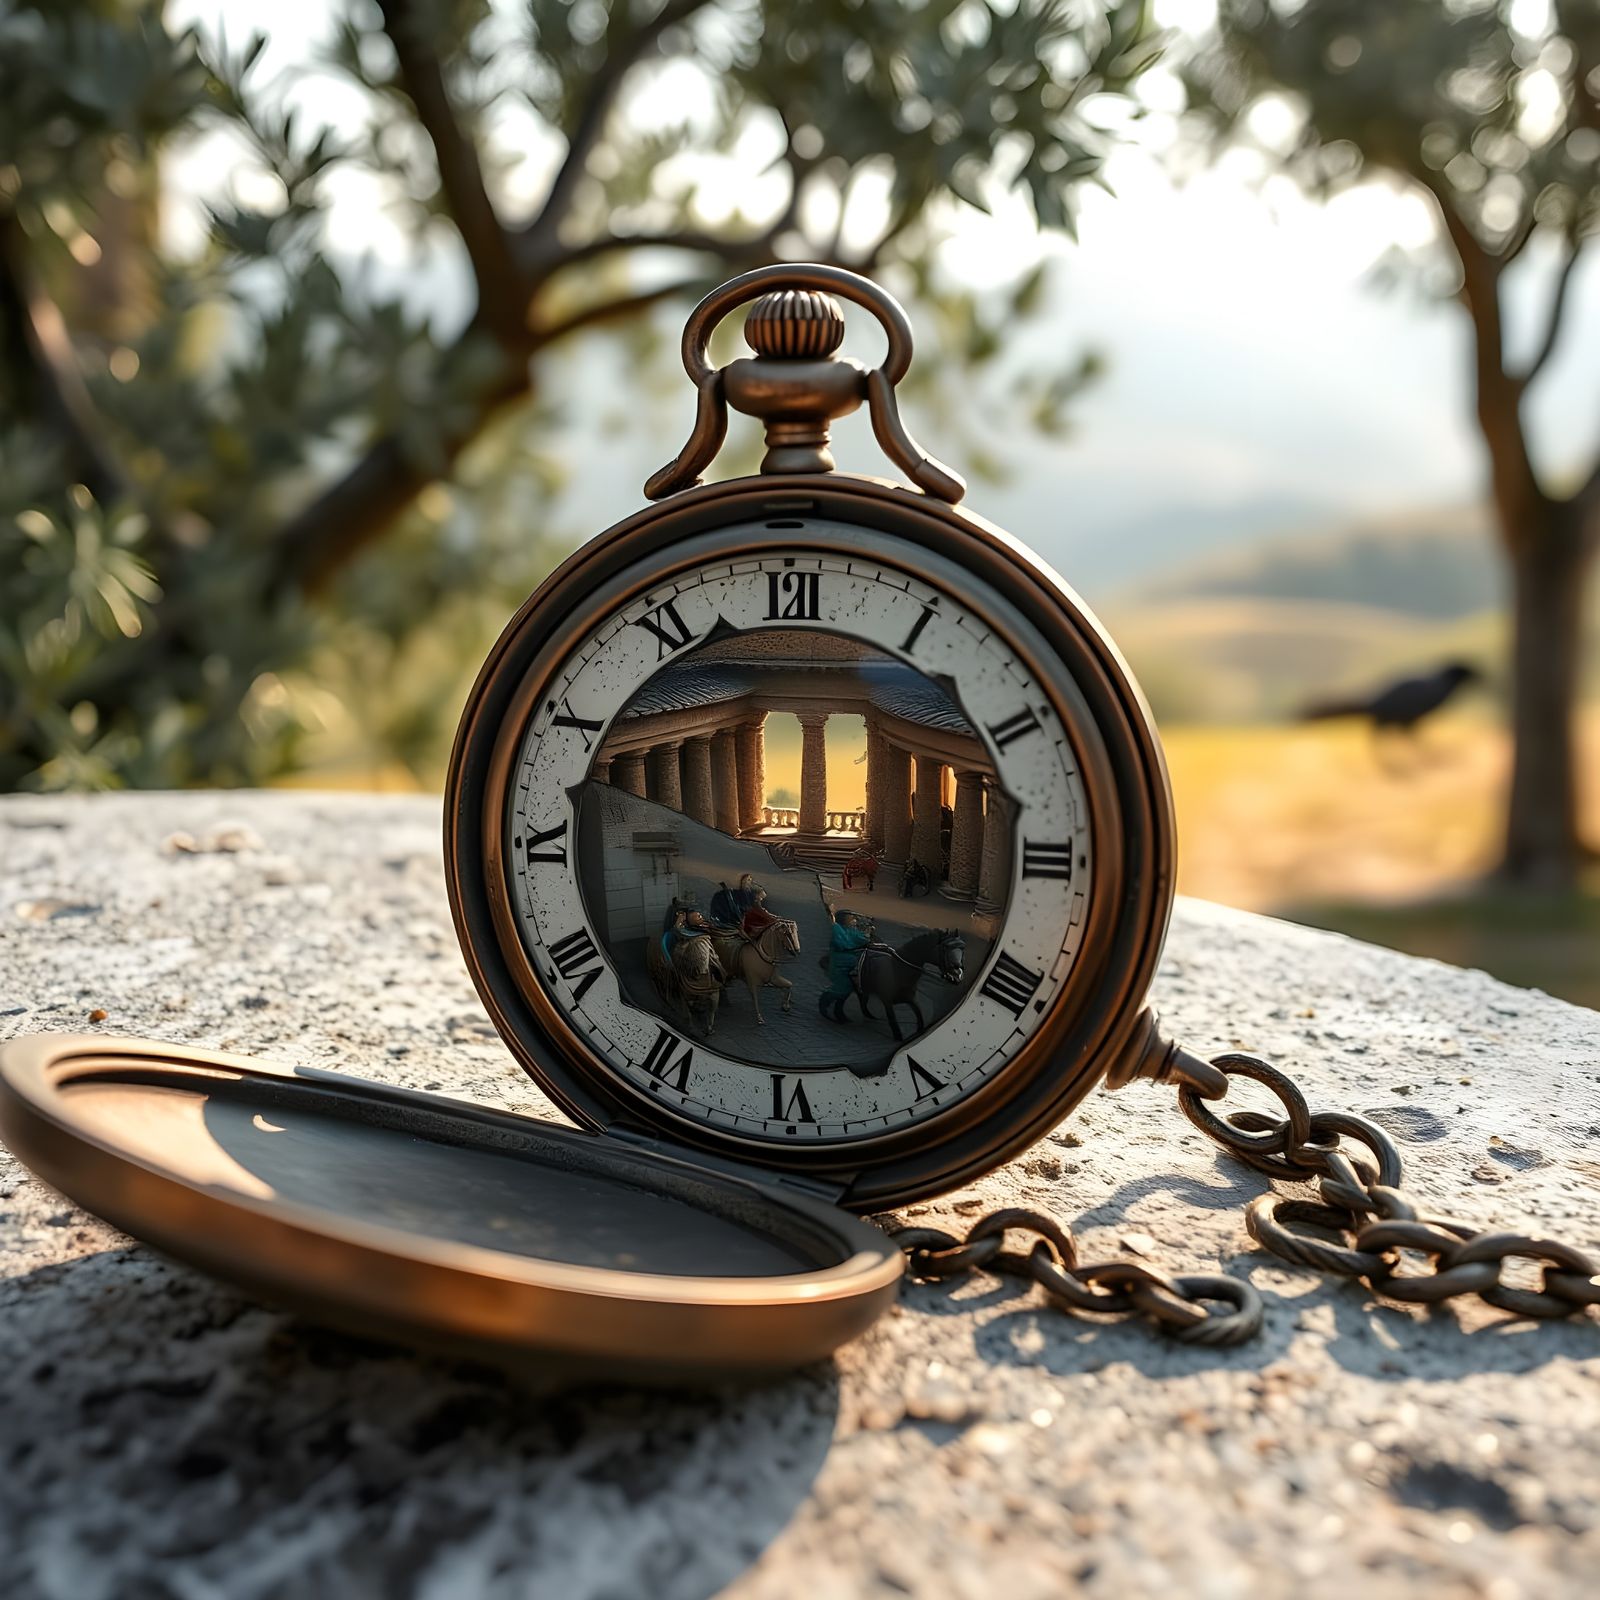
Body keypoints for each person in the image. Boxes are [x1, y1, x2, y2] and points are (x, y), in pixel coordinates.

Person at [819, 909, 870, 1023]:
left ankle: (839, 1011)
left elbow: (862, 939)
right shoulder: (836, 929)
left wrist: (868, 936)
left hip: (851, 963)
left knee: (849, 988)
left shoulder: (851, 930)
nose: (853, 920)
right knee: (842, 988)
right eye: (851, 918)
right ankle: (825, 1001)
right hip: (839, 964)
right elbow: (842, 943)